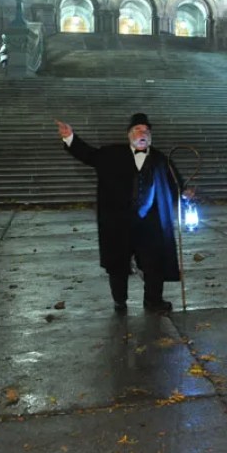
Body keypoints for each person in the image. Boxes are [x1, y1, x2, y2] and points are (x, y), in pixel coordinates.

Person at [56, 112, 181, 314]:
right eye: (138, 130)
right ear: (129, 135)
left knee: (154, 264)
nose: (143, 133)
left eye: (146, 130)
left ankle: (153, 301)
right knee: (118, 265)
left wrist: (185, 194)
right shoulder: (112, 154)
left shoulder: (160, 159)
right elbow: (88, 155)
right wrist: (70, 137)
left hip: (150, 223)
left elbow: (175, 184)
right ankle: (120, 301)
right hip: (118, 222)